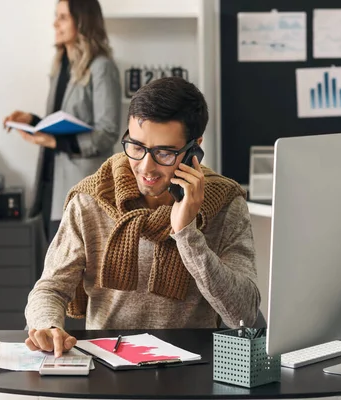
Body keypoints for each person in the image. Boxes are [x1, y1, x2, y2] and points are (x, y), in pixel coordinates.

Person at [24, 77, 261, 357]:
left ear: (194, 148)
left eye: (164, 152)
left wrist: (187, 233)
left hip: (194, 369)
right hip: (107, 366)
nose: (146, 167)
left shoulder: (225, 203)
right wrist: (47, 325)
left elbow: (244, 315)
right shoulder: (90, 200)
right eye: (136, 147)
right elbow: (50, 288)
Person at [3, 0, 121, 241]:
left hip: (82, 190)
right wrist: (33, 120)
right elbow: (61, 121)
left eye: (62, 17)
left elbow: (108, 132)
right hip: (51, 185)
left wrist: (56, 143)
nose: (54, 23)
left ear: (82, 21)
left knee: (79, 275)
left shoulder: (102, 67)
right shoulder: (60, 67)